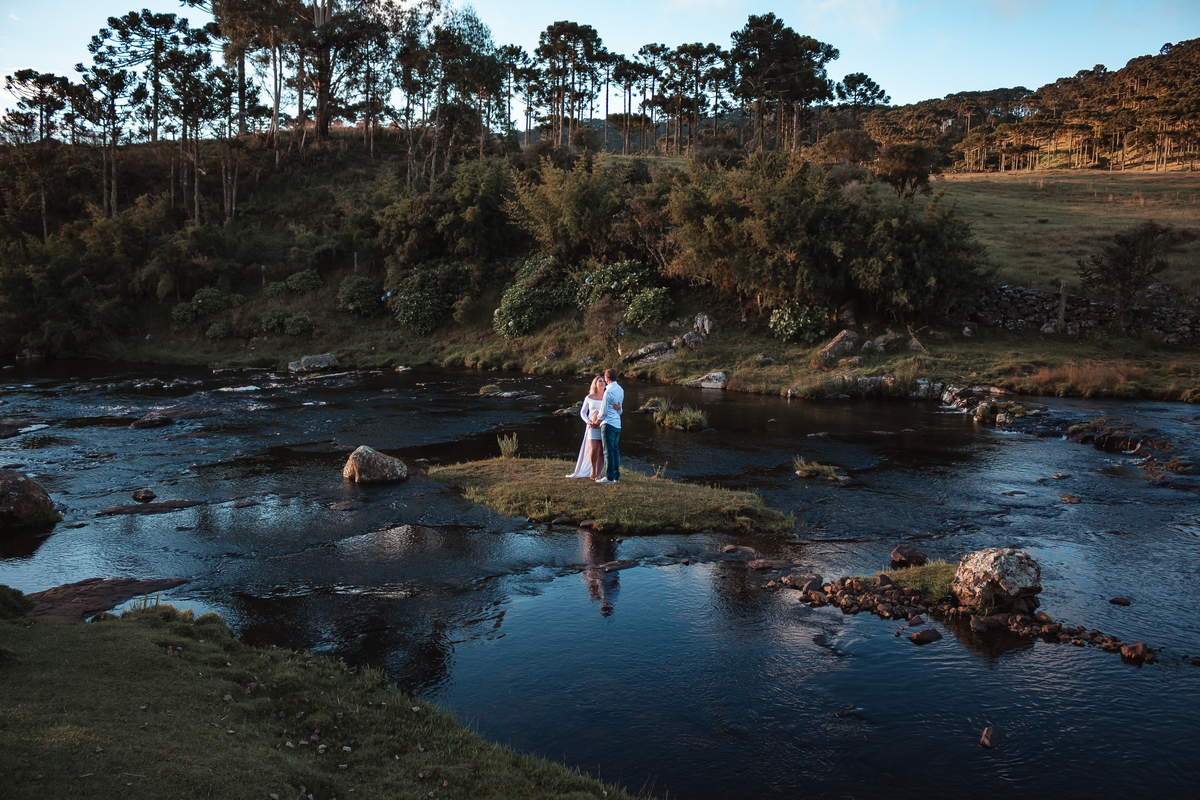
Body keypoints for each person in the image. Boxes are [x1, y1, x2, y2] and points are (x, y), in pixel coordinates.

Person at [565, 375, 607, 479]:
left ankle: (598, 474)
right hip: (592, 427)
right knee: (593, 448)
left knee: (601, 451)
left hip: (603, 426)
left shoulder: (607, 396)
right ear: (595, 384)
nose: (602, 383)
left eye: (603, 381)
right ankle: (593, 469)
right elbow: (583, 412)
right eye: (600, 381)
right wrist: (588, 422)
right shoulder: (589, 397)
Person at [596, 368, 623, 484]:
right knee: (615, 450)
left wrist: (596, 422)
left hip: (608, 424)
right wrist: (619, 409)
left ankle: (609, 477)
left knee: (608, 451)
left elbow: (602, 412)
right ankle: (616, 476)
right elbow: (620, 410)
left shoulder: (608, 391)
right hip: (618, 424)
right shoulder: (621, 390)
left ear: (607, 379)